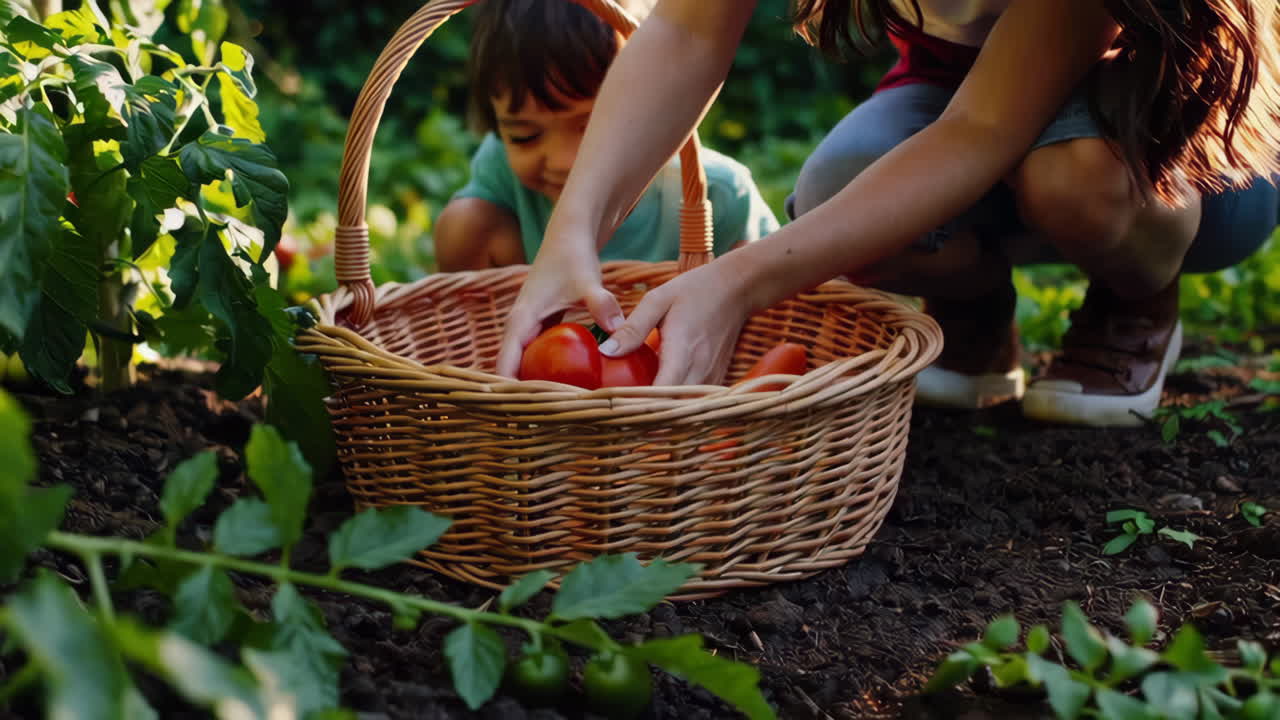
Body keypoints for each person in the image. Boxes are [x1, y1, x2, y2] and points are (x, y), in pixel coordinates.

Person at [494, 0, 1280, 427]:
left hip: (1195, 152)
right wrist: (574, 228)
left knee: (1071, 178)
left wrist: (737, 282)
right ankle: (975, 311)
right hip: (966, 100)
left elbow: (986, 129)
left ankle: (1137, 298)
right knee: (837, 195)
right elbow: (685, 28)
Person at [432, 0, 778, 272]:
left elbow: (775, 306)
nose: (563, 161)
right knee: (462, 223)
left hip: (686, 345)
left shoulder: (720, 195)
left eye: (593, 128)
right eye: (524, 136)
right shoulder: (499, 166)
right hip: (554, 351)